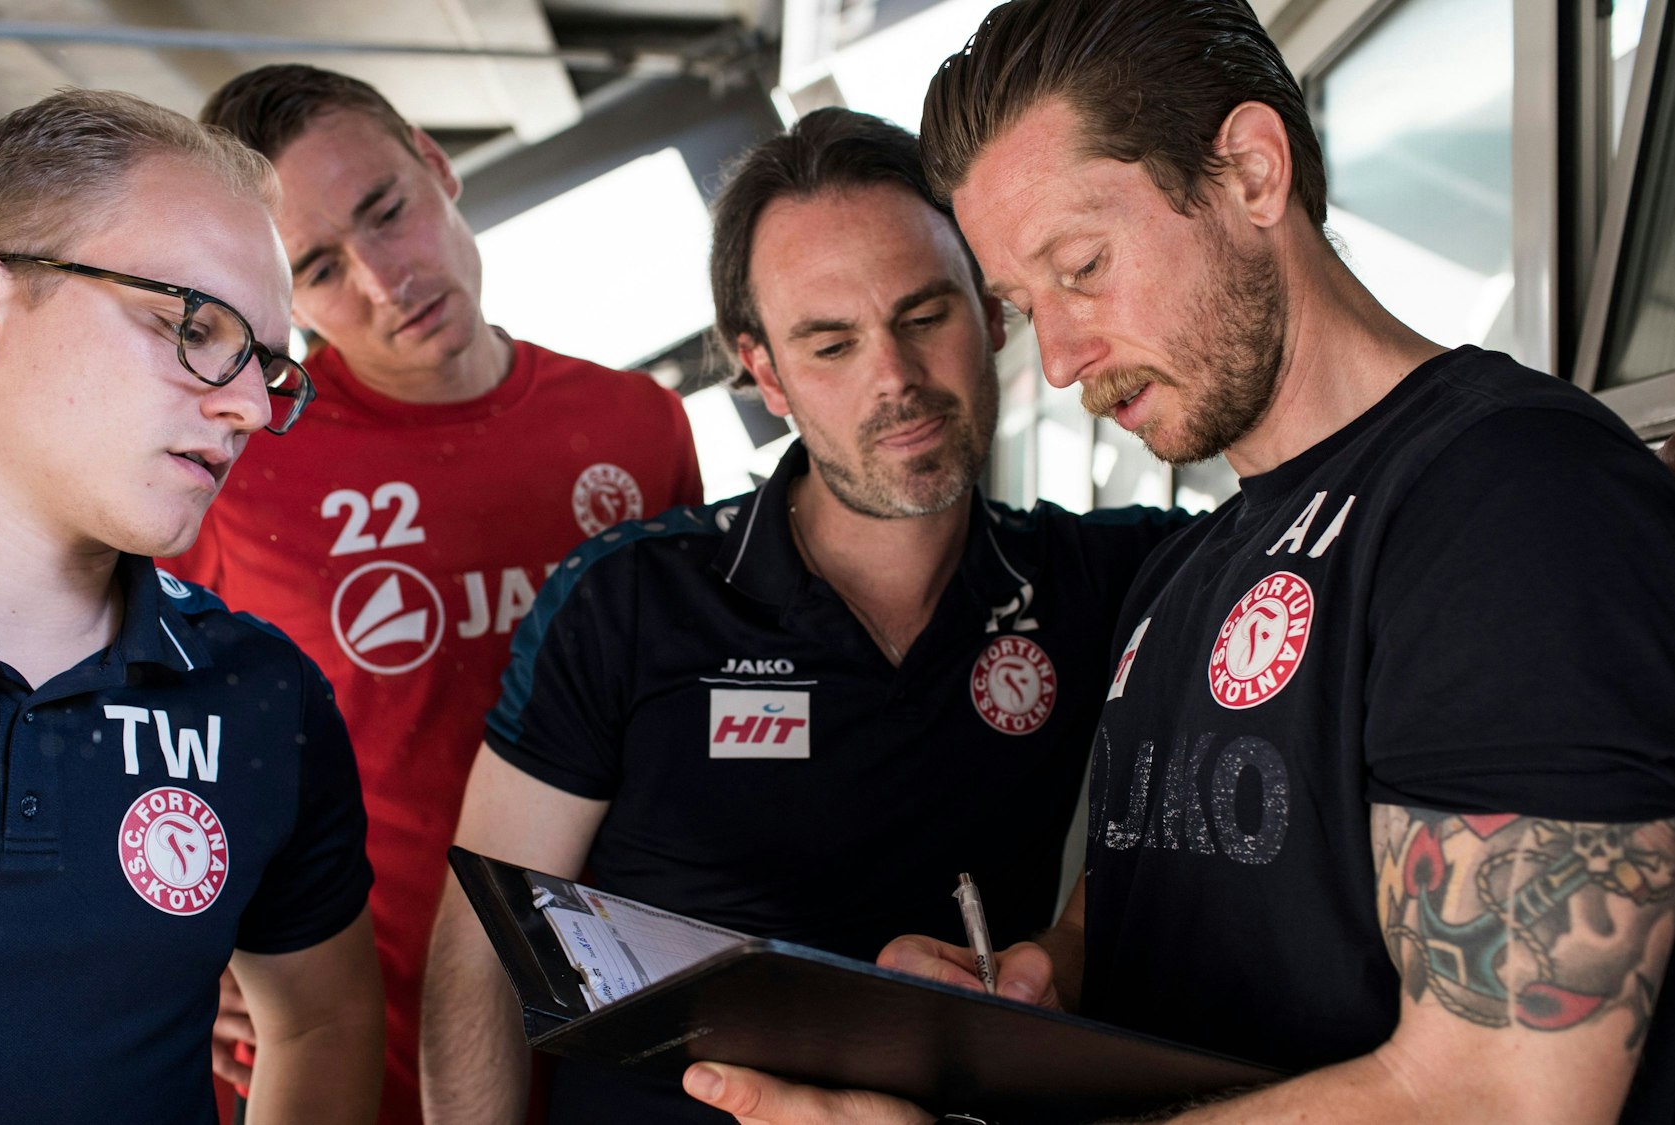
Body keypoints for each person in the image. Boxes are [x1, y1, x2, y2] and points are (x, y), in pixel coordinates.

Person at [679, 1, 1675, 1122]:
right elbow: (1148, 895)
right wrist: (1043, 975)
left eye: (1083, 266)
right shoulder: (1185, 572)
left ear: (1250, 171)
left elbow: (1506, 1092)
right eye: (1025, 307)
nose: (1062, 358)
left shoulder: (1516, 500)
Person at [418, 105, 1189, 1125]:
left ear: (995, 314)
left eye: (925, 317)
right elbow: (481, 957)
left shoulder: (1101, 579)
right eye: (830, 345)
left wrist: (1072, 945)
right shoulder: (627, 601)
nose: (895, 379)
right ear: (766, 374)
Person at [0, 89, 381, 1123]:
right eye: (192, 326)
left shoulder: (260, 695)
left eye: (269, 366)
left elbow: (324, 1020)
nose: (247, 405)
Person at [170, 65, 703, 1124]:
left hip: (625, 1034)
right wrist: (181, 935)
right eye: (320, 268)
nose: (385, 280)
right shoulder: (232, 466)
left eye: (386, 211)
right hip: (353, 1046)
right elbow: (122, 730)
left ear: (436, 163)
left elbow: (696, 721)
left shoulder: (638, 425)